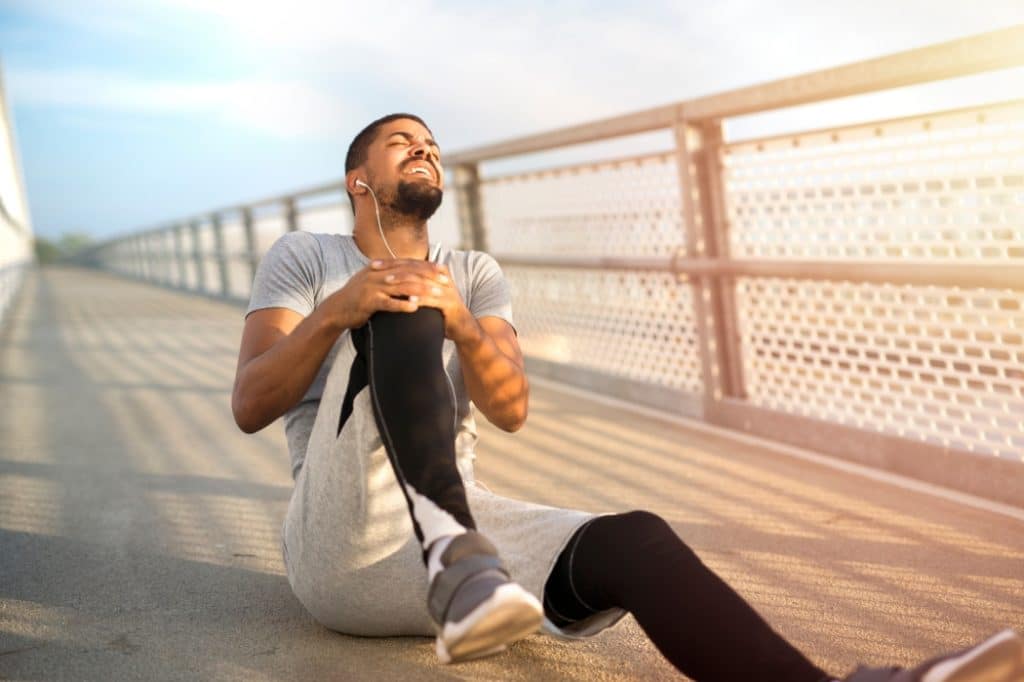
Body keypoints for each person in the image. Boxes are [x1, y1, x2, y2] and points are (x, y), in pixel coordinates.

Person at [232, 113, 1024, 681]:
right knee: (400, 296)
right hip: (344, 543)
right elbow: (251, 401)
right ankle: (454, 551)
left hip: (474, 547)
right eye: (404, 143)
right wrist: (344, 307)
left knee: (636, 538)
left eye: (434, 146)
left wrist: (465, 328)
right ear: (358, 179)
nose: (426, 153)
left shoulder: (474, 272)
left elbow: (510, 408)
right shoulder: (307, 255)